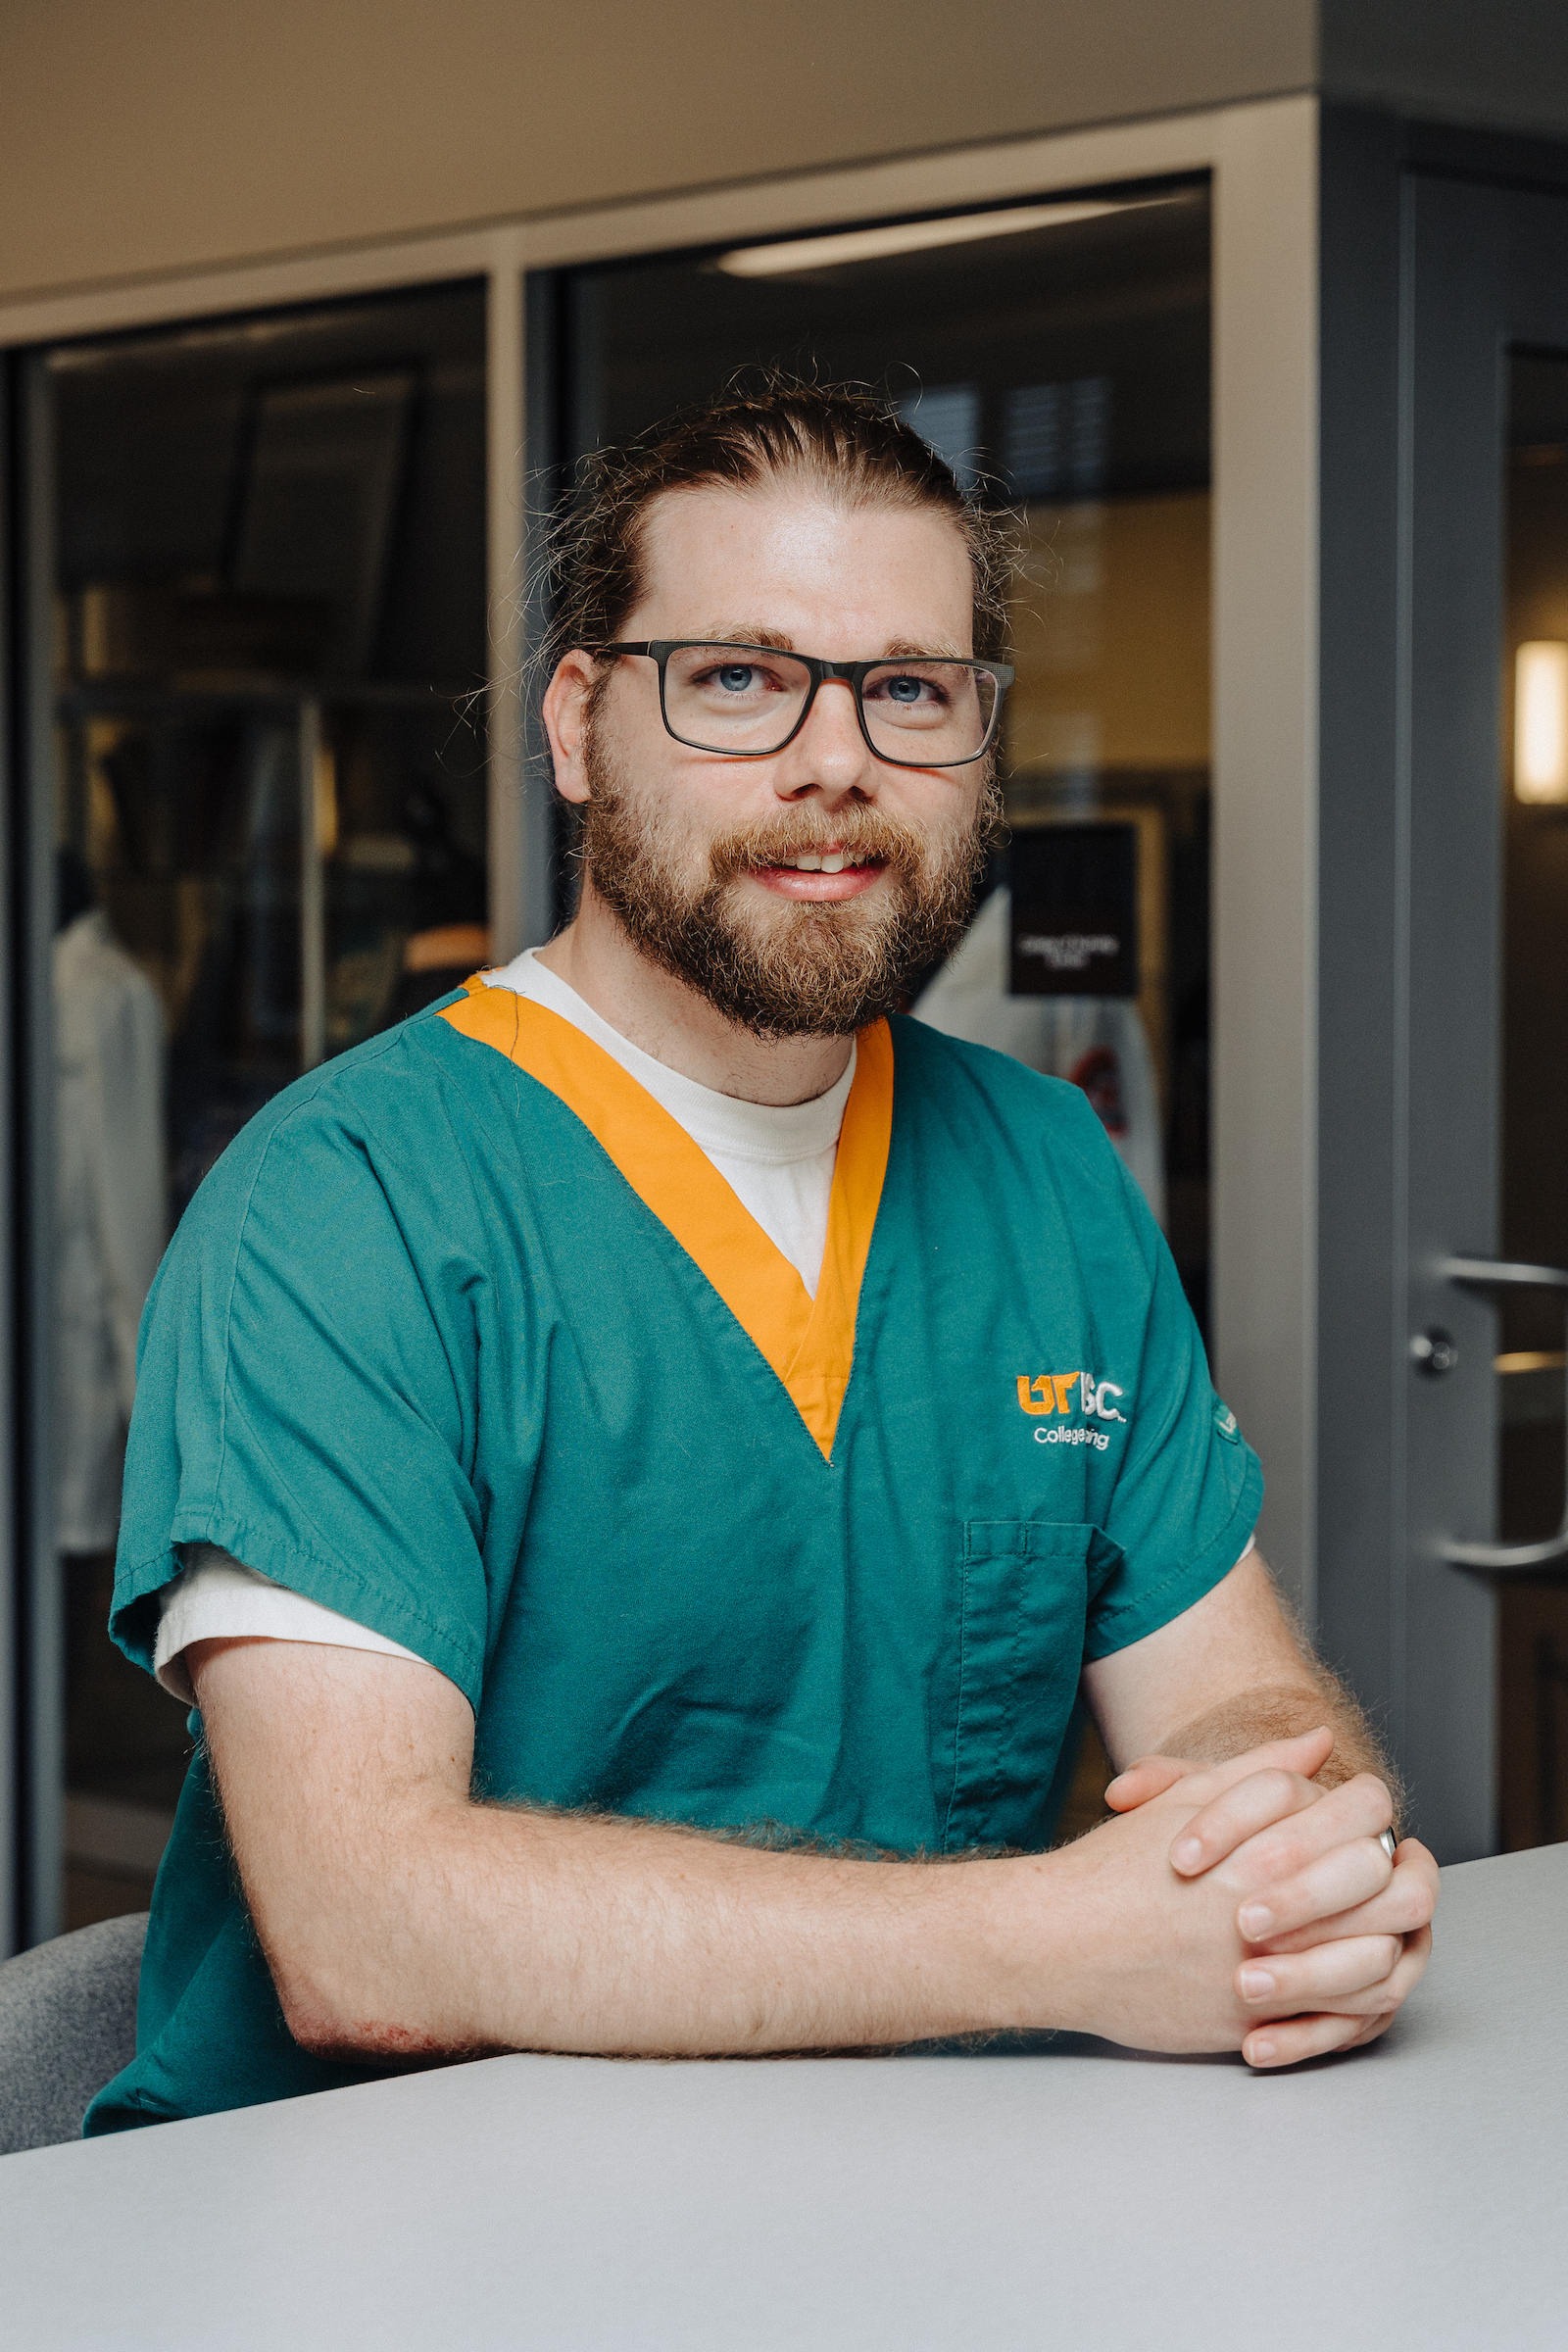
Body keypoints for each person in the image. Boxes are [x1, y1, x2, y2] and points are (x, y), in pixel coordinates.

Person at [87, 381, 1436, 2132]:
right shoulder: (350, 1204)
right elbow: (373, 1928)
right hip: (388, 2251)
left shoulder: (1039, 1167)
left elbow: (1239, 1691)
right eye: (737, 679)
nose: (835, 761)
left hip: (923, 2203)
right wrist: (1055, 1941)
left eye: (911, 691)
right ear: (578, 726)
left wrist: (1286, 1847)